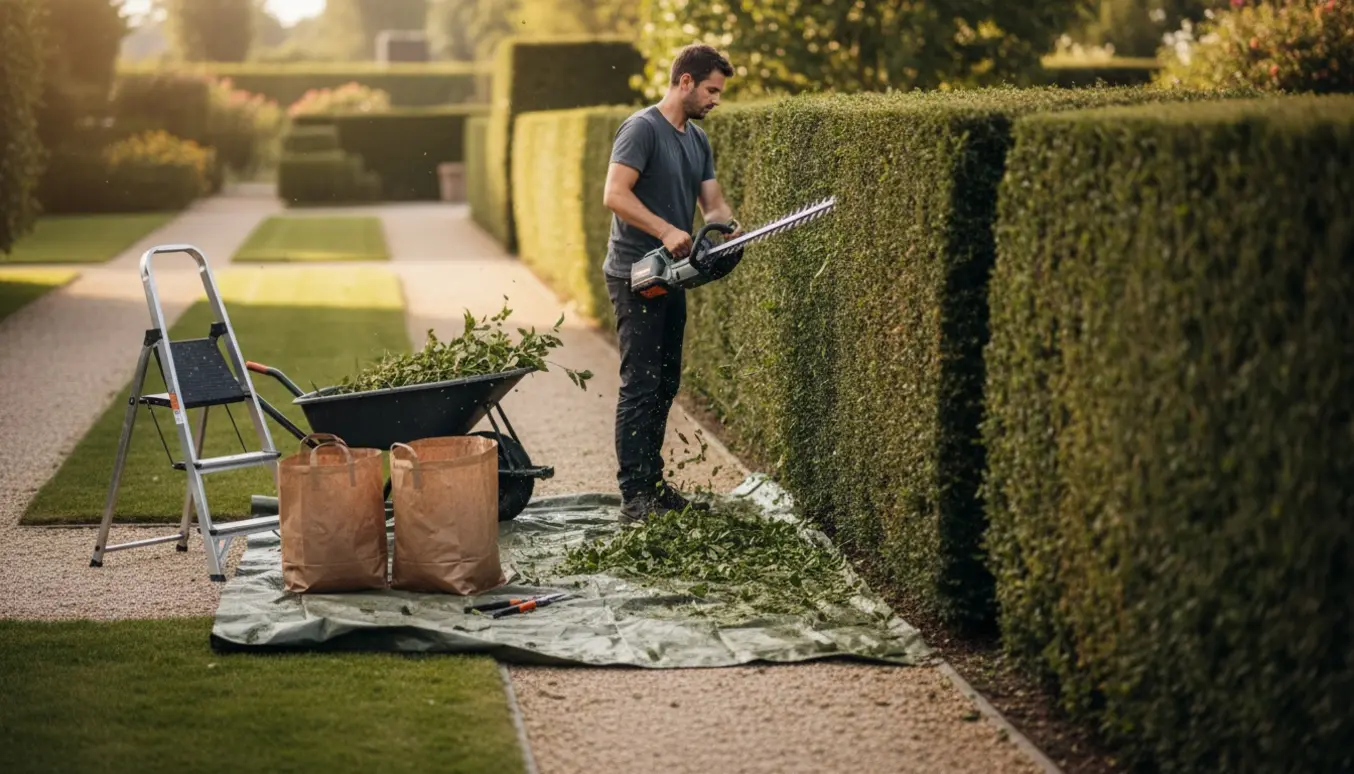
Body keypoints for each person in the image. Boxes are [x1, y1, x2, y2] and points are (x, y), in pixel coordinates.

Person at [601, 43, 740, 523]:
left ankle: (652, 484)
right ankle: (632, 495)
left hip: (671, 275)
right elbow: (614, 194)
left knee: (664, 382)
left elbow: (713, 204)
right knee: (639, 383)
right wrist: (664, 229)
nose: (715, 99)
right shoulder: (642, 129)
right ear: (685, 81)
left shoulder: (696, 140)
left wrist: (727, 229)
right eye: (711, 89)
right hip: (634, 273)